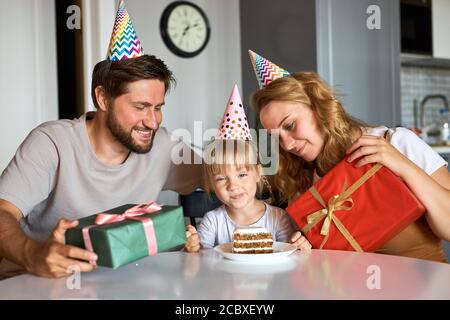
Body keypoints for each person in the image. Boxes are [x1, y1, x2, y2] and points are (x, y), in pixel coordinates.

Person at [0, 2, 201, 278]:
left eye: (158, 107)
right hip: (33, 283)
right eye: (141, 107)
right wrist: (32, 254)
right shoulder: (51, 142)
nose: (153, 122)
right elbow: (3, 212)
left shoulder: (164, 146)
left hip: (117, 286)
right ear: (103, 98)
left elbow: (227, 173)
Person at [249, 52, 450, 262]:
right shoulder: (303, 183)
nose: (288, 145)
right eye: (277, 138)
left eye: (290, 126)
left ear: (318, 107)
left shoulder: (396, 142)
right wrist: (304, 248)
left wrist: (404, 166)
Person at [184, 85, 311, 253]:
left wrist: (300, 248)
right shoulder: (213, 221)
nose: (233, 186)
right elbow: (200, 262)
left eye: (242, 174)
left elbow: (289, 255)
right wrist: (192, 248)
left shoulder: (278, 218)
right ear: (212, 184)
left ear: (258, 173)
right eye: (221, 178)